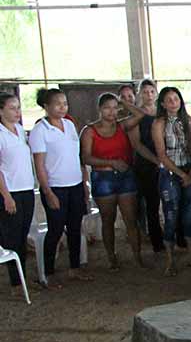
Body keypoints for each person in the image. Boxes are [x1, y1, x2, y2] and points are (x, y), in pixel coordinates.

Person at [30, 88, 90, 287]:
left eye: (64, 103)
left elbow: (77, 157)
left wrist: (83, 183)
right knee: (55, 230)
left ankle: (75, 268)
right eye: (57, 104)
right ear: (46, 107)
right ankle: (48, 272)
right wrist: (47, 192)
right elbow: (39, 164)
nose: (62, 107)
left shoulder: (70, 125)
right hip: (55, 187)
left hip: (74, 184)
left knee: (75, 228)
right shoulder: (40, 130)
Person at [80, 93, 142, 270]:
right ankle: (111, 257)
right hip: (103, 177)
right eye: (107, 107)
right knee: (108, 219)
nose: (112, 112)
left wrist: (123, 102)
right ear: (99, 109)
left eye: (115, 107)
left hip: (125, 176)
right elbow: (86, 157)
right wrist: (111, 162)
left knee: (131, 219)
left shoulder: (122, 125)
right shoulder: (89, 131)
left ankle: (137, 256)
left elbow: (139, 115)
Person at [152, 87, 191, 275]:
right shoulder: (159, 124)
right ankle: (170, 261)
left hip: (189, 170)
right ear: (163, 104)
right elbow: (162, 155)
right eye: (169, 99)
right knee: (171, 215)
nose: (174, 102)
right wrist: (184, 176)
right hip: (170, 174)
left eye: (176, 98)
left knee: (189, 215)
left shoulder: (187, 120)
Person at [123, 79, 165, 255]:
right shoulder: (137, 116)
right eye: (145, 92)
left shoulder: (163, 113)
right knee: (152, 204)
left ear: (156, 93)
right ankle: (156, 241)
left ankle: (175, 237)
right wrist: (157, 160)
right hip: (145, 165)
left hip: (165, 161)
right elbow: (137, 145)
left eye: (152, 91)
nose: (148, 95)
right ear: (140, 94)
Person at [0, 93, 37, 293]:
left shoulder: (20, 130)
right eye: (12, 108)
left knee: (22, 235)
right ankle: (16, 282)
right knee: (12, 237)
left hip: (26, 188)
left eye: (18, 108)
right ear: (1, 110)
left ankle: (23, 277)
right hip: (10, 191)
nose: (17, 112)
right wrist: (6, 195)